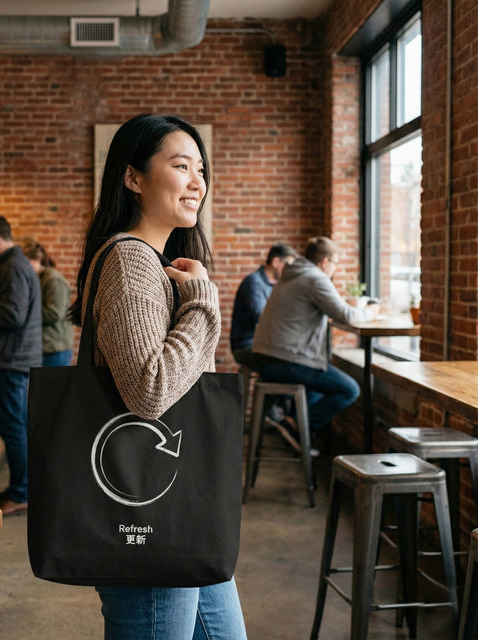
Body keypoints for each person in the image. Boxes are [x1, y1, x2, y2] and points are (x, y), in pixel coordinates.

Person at [69, 114, 247, 639]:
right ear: (133, 178)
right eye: (180, 166)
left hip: (182, 503)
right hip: (147, 510)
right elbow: (151, 392)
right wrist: (202, 305)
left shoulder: (158, 262)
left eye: (200, 169)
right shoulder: (131, 262)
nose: (198, 182)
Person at [252, 236, 380, 437]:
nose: (335, 269)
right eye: (336, 263)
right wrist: (371, 312)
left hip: (266, 357)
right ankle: (294, 428)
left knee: (317, 387)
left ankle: (299, 439)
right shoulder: (315, 278)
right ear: (325, 261)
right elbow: (346, 315)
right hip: (285, 361)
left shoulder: (293, 275)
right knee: (350, 390)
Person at [0, 215, 42, 517]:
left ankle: (22, 492)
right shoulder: (14, 265)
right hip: (14, 358)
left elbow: (12, 316)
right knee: (16, 427)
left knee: (14, 428)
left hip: (11, 359)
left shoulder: (13, 268)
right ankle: (20, 486)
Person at [231, 243, 298, 370]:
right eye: (288, 265)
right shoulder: (253, 282)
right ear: (276, 262)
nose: (290, 270)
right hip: (246, 346)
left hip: (266, 345)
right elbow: (261, 317)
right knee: (291, 364)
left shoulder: (276, 285)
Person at [22, 238, 73, 366]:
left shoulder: (53, 279)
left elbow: (54, 313)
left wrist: (27, 313)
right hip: (46, 346)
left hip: (56, 347)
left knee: (54, 386)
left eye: (27, 263)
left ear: (37, 260)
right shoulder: (40, 278)